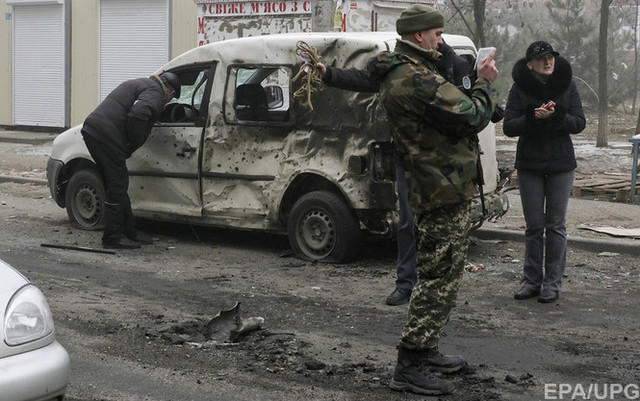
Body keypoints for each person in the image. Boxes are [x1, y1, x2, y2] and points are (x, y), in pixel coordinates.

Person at [366, 4, 499, 395]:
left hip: (437, 184)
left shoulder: (408, 71)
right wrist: (484, 82)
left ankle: (424, 350)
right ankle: (409, 363)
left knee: (438, 274)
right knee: (438, 278)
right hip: (440, 187)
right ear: (419, 35)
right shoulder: (415, 77)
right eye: (437, 35)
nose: (441, 41)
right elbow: (473, 115)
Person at [317, 39, 472, 306]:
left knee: (441, 226)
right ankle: (405, 284)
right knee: (408, 222)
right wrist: (330, 74)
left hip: (443, 160)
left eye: (439, 33)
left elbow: (469, 105)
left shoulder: (454, 63)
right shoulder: (401, 65)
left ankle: (437, 287)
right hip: (408, 157)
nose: (437, 39)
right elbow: (367, 79)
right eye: (433, 33)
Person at [503, 41, 585, 303]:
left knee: (556, 225)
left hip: (561, 164)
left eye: (550, 57)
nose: (548, 62)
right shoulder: (520, 88)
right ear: (530, 65)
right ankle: (531, 280)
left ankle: (552, 283)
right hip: (530, 165)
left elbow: (579, 123)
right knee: (534, 226)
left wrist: (558, 114)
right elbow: (508, 127)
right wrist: (532, 117)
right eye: (541, 59)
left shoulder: (567, 85)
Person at [81, 72, 181, 249]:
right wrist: (133, 143)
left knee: (116, 183)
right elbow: (138, 114)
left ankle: (129, 232)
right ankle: (112, 237)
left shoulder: (143, 83)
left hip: (94, 130)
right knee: (118, 185)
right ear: (171, 94)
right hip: (106, 135)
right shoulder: (157, 92)